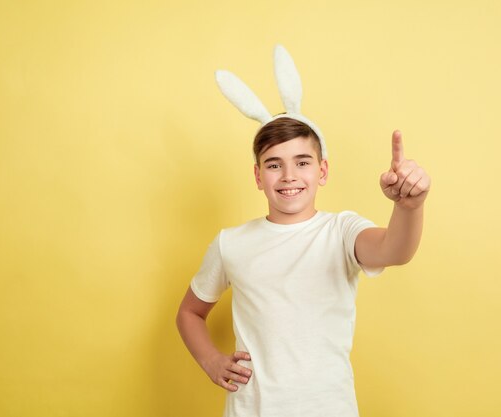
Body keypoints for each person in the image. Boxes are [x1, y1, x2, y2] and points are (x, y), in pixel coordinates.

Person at [176, 46, 431, 417]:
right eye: (274, 164)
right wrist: (211, 361)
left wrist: (410, 206)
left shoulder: (341, 231)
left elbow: (395, 250)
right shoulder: (231, 243)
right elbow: (189, 313)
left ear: (322, 171)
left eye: (302, 162)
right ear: (258, 176)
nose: (289, 176)